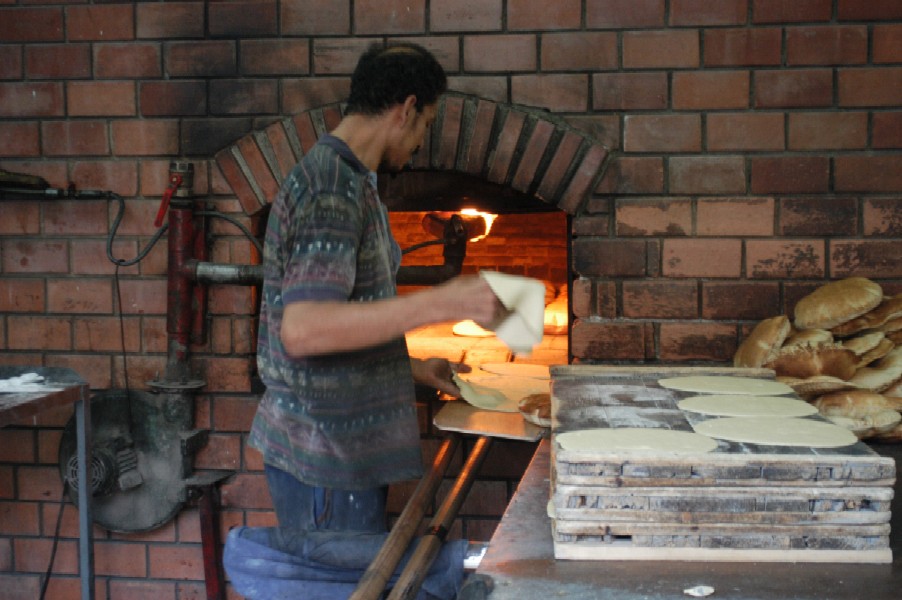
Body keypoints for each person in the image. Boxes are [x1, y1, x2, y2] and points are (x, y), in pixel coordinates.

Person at [248, 42, 505, 535]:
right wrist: (441, 302)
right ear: (406, 109)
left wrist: (411, 369)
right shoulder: (330, 187)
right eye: (426, 124)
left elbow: (341, 319)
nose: (420, 142)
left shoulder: (351, 180)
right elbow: (303, 332)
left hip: (338, 454)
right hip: (323, 461)